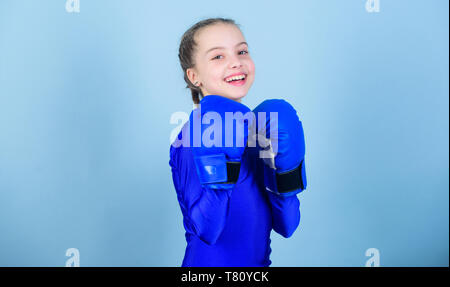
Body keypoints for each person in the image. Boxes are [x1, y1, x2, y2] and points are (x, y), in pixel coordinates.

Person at [170, 17, 307, 267]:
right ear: (194, 76)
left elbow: (288, 225)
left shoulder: (265, 132)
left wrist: (285, 178)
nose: (236, 62)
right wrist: (221, 169)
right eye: (218, 57)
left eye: (241, 51)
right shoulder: (190, 138)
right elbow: (207, 230)